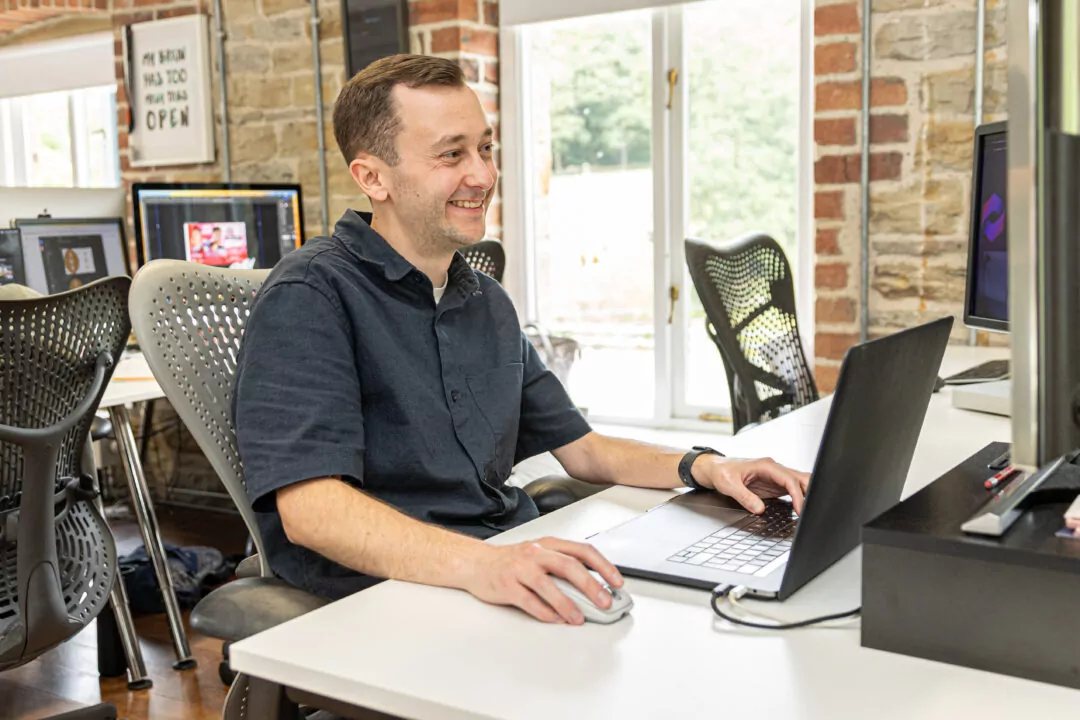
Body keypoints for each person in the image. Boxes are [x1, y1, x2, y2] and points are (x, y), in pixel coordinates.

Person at [233, 54, 809, 626]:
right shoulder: (311, 295)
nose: (482, 176)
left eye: (484, 148)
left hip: (493, 565)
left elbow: (583, 450)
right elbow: (313, 512)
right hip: (390, 599)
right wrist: (485, 564)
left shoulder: (483, 299)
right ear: (372, 178)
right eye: (450, 154)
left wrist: (709, 467)